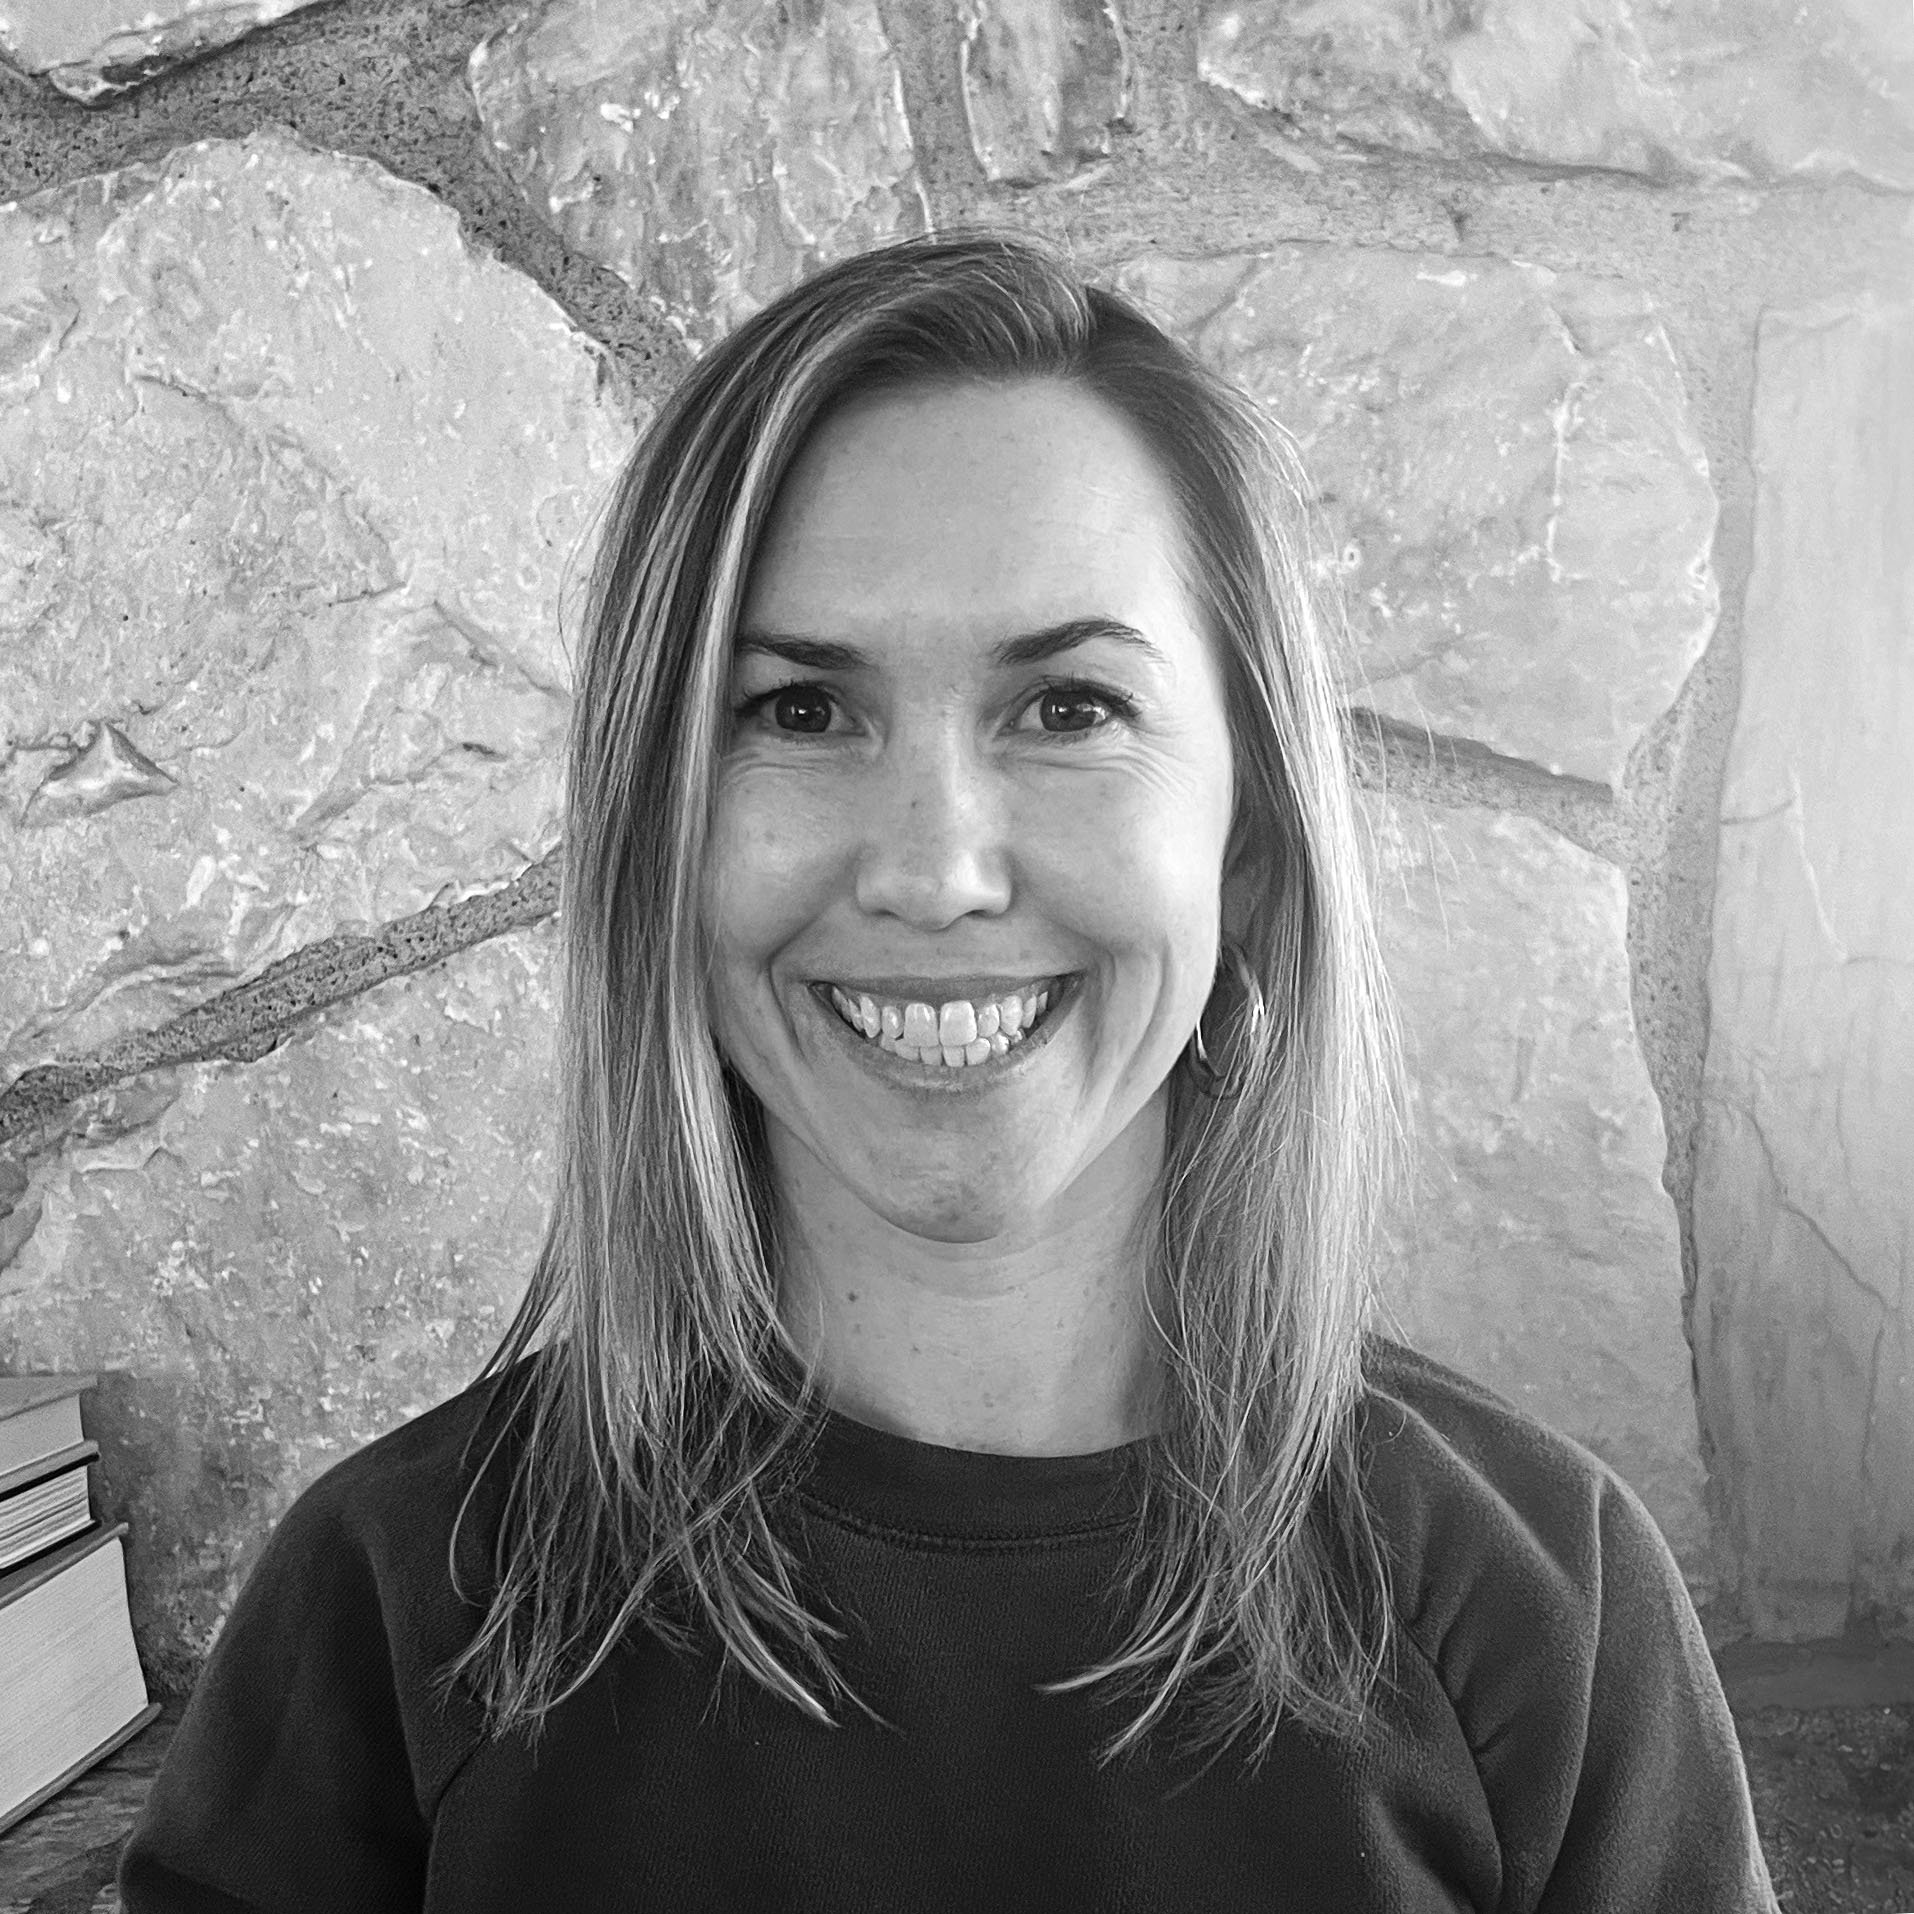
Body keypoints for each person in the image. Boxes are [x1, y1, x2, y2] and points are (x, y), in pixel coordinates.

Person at [119, 230, 1777, 1912]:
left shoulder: (1537, 1608)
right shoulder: (391, 1608)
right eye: (797, 711)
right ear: (654, 846)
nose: (933, 870)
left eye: (1066, 707)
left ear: (1249, 847)